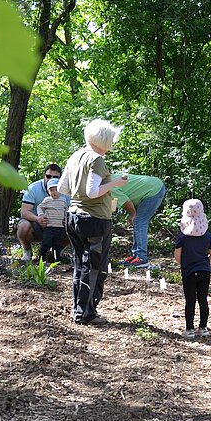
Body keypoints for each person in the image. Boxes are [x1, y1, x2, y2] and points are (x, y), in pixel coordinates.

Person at [58, 119, 127, 324]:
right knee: (95, 267)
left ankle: (79, 310)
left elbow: (62, 188)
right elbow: (92, 191)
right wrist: (115, 182)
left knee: (80, 265)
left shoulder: (75, 156)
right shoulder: (97, 160)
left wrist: (78, 192)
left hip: (73, 217)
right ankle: (85, 314)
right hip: (95, 220)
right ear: (105, 139)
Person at [172, 199, 211, 339]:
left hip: (189, 272)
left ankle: (189, 329)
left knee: (190, 300)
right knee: (203, 299)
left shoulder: (182, 237)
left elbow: (177, 256)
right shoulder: (208, 236)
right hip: (204, 271)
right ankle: (203, 327)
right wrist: (204, 263)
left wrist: (185, 264)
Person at [112, 174, 166, 267]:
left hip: (153, 190)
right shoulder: (107, 181)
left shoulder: (109, 187)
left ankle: (141, 259)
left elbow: (126, 201)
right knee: (138, 222)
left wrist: (133, 214)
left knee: (140, 222)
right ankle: (135, 256)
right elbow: (112, 206)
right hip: (152, 187)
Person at [16, 164, 66, 264]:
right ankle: (27, 250)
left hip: (58, 225)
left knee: (74, 227)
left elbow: (70, 210)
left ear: (60, 178)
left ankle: (57, 252)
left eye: (55, 177)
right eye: (48, 176)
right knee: (23, 226)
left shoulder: (65, 190)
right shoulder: (33, 188)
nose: (51, 179)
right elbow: (24, 212)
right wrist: (38, 218)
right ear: (44, 176)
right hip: (36, 225)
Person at [37, 177, 69, 262]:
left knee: (58, 244)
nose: (54, 192)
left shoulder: (63, 200)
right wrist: (41, 215)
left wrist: (66, 220)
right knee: (46, 243)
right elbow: (39, 207)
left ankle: (56, 259)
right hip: (49, 226)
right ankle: (41, 258)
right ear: (48, 191)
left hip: (60, 227)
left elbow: (66, 210)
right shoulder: (47, 200)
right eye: (51, 190)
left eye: (56, 189)